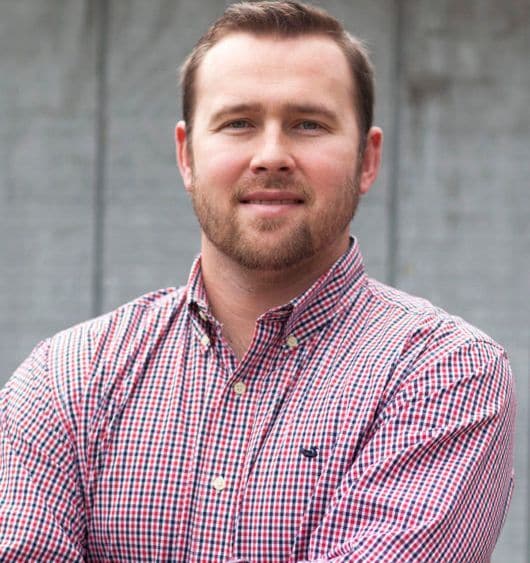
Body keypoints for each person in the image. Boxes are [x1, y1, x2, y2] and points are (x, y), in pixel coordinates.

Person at [0, 1, 515, 561]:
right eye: (238, 123)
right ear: (186, 156)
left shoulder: (444, 373)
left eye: (308, 124)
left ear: (367, 160)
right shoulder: (67, 379)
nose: (271, 156)